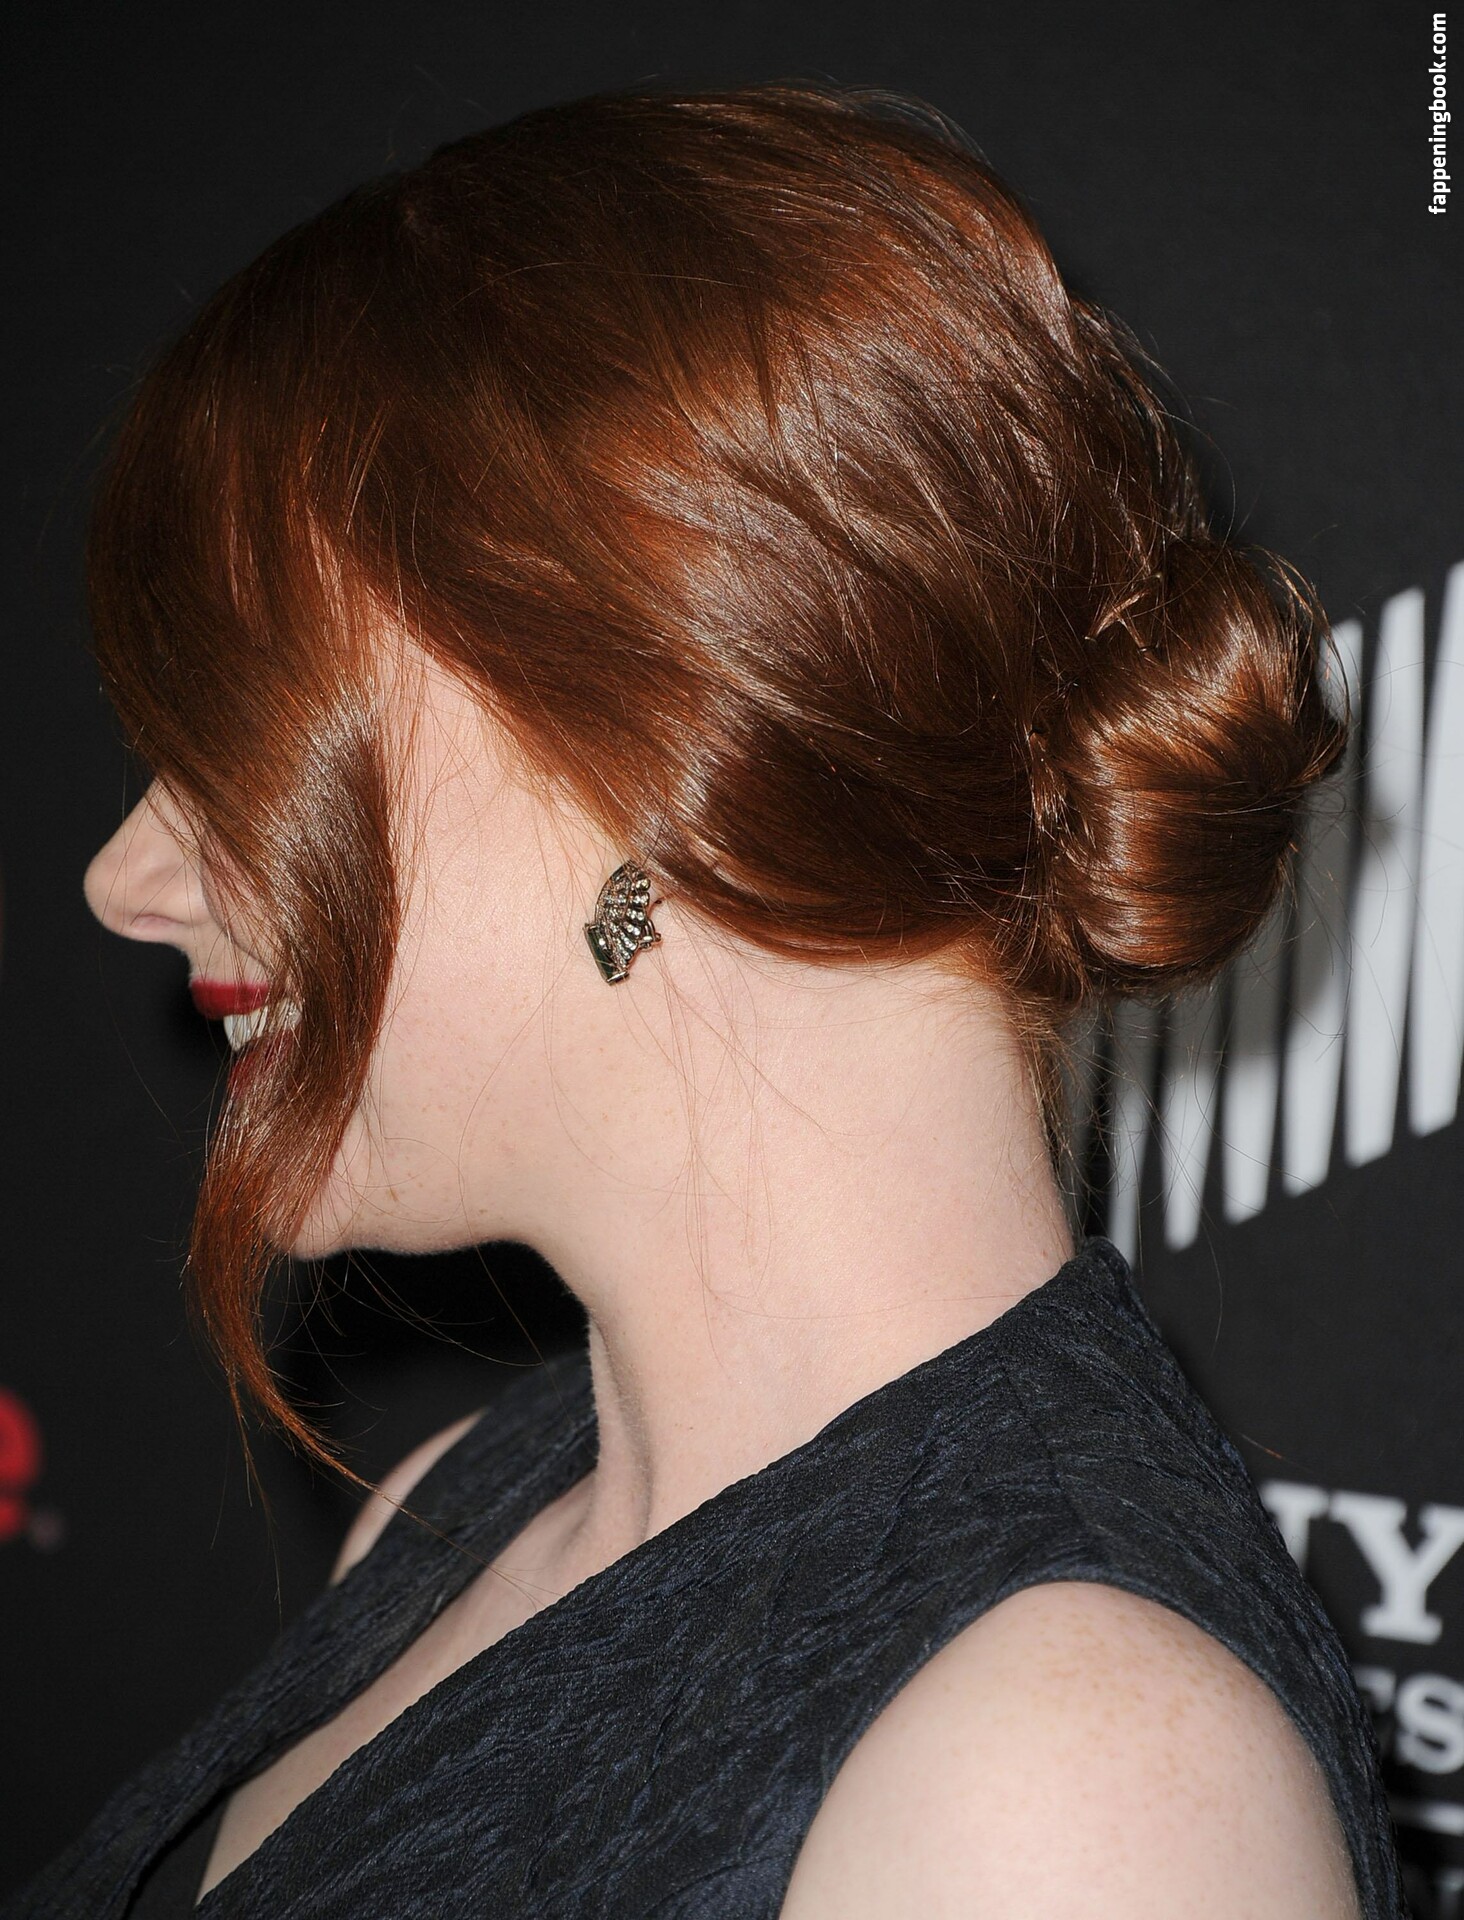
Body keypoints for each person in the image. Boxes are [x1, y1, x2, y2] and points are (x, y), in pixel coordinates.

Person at [11, 83, 1404, 1918]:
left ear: (662, 768)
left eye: (246, 743)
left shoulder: (1066, 1798)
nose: (128, 876)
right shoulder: (459, 1507)